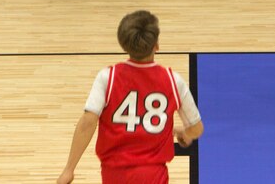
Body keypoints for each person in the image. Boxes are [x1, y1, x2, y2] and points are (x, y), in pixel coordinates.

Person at [56, 10, 203, 184]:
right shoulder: (173, 81)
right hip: (153, 174)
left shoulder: (107, 77)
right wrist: (185, 133)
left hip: (114, 173)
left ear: (124, 44)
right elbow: (196, 128)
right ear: (156, 44)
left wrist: (69, 169)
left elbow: (88, 122)